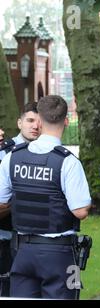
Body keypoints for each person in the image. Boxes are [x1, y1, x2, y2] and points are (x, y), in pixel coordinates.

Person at [0, 95, 91, 299]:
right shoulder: (68, 162)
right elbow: (81, 211)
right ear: (66, 121)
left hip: (22, 251)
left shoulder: (13, 156)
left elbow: (2, 200)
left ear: (39, 121)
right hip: (61, 254)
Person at [0, 102, 41, 297]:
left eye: (39, 122)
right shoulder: (4, 153)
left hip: (41, 239)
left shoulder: (54, 155)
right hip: (7, 238)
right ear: (19, 122)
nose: (35, 126)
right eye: (30, 120)